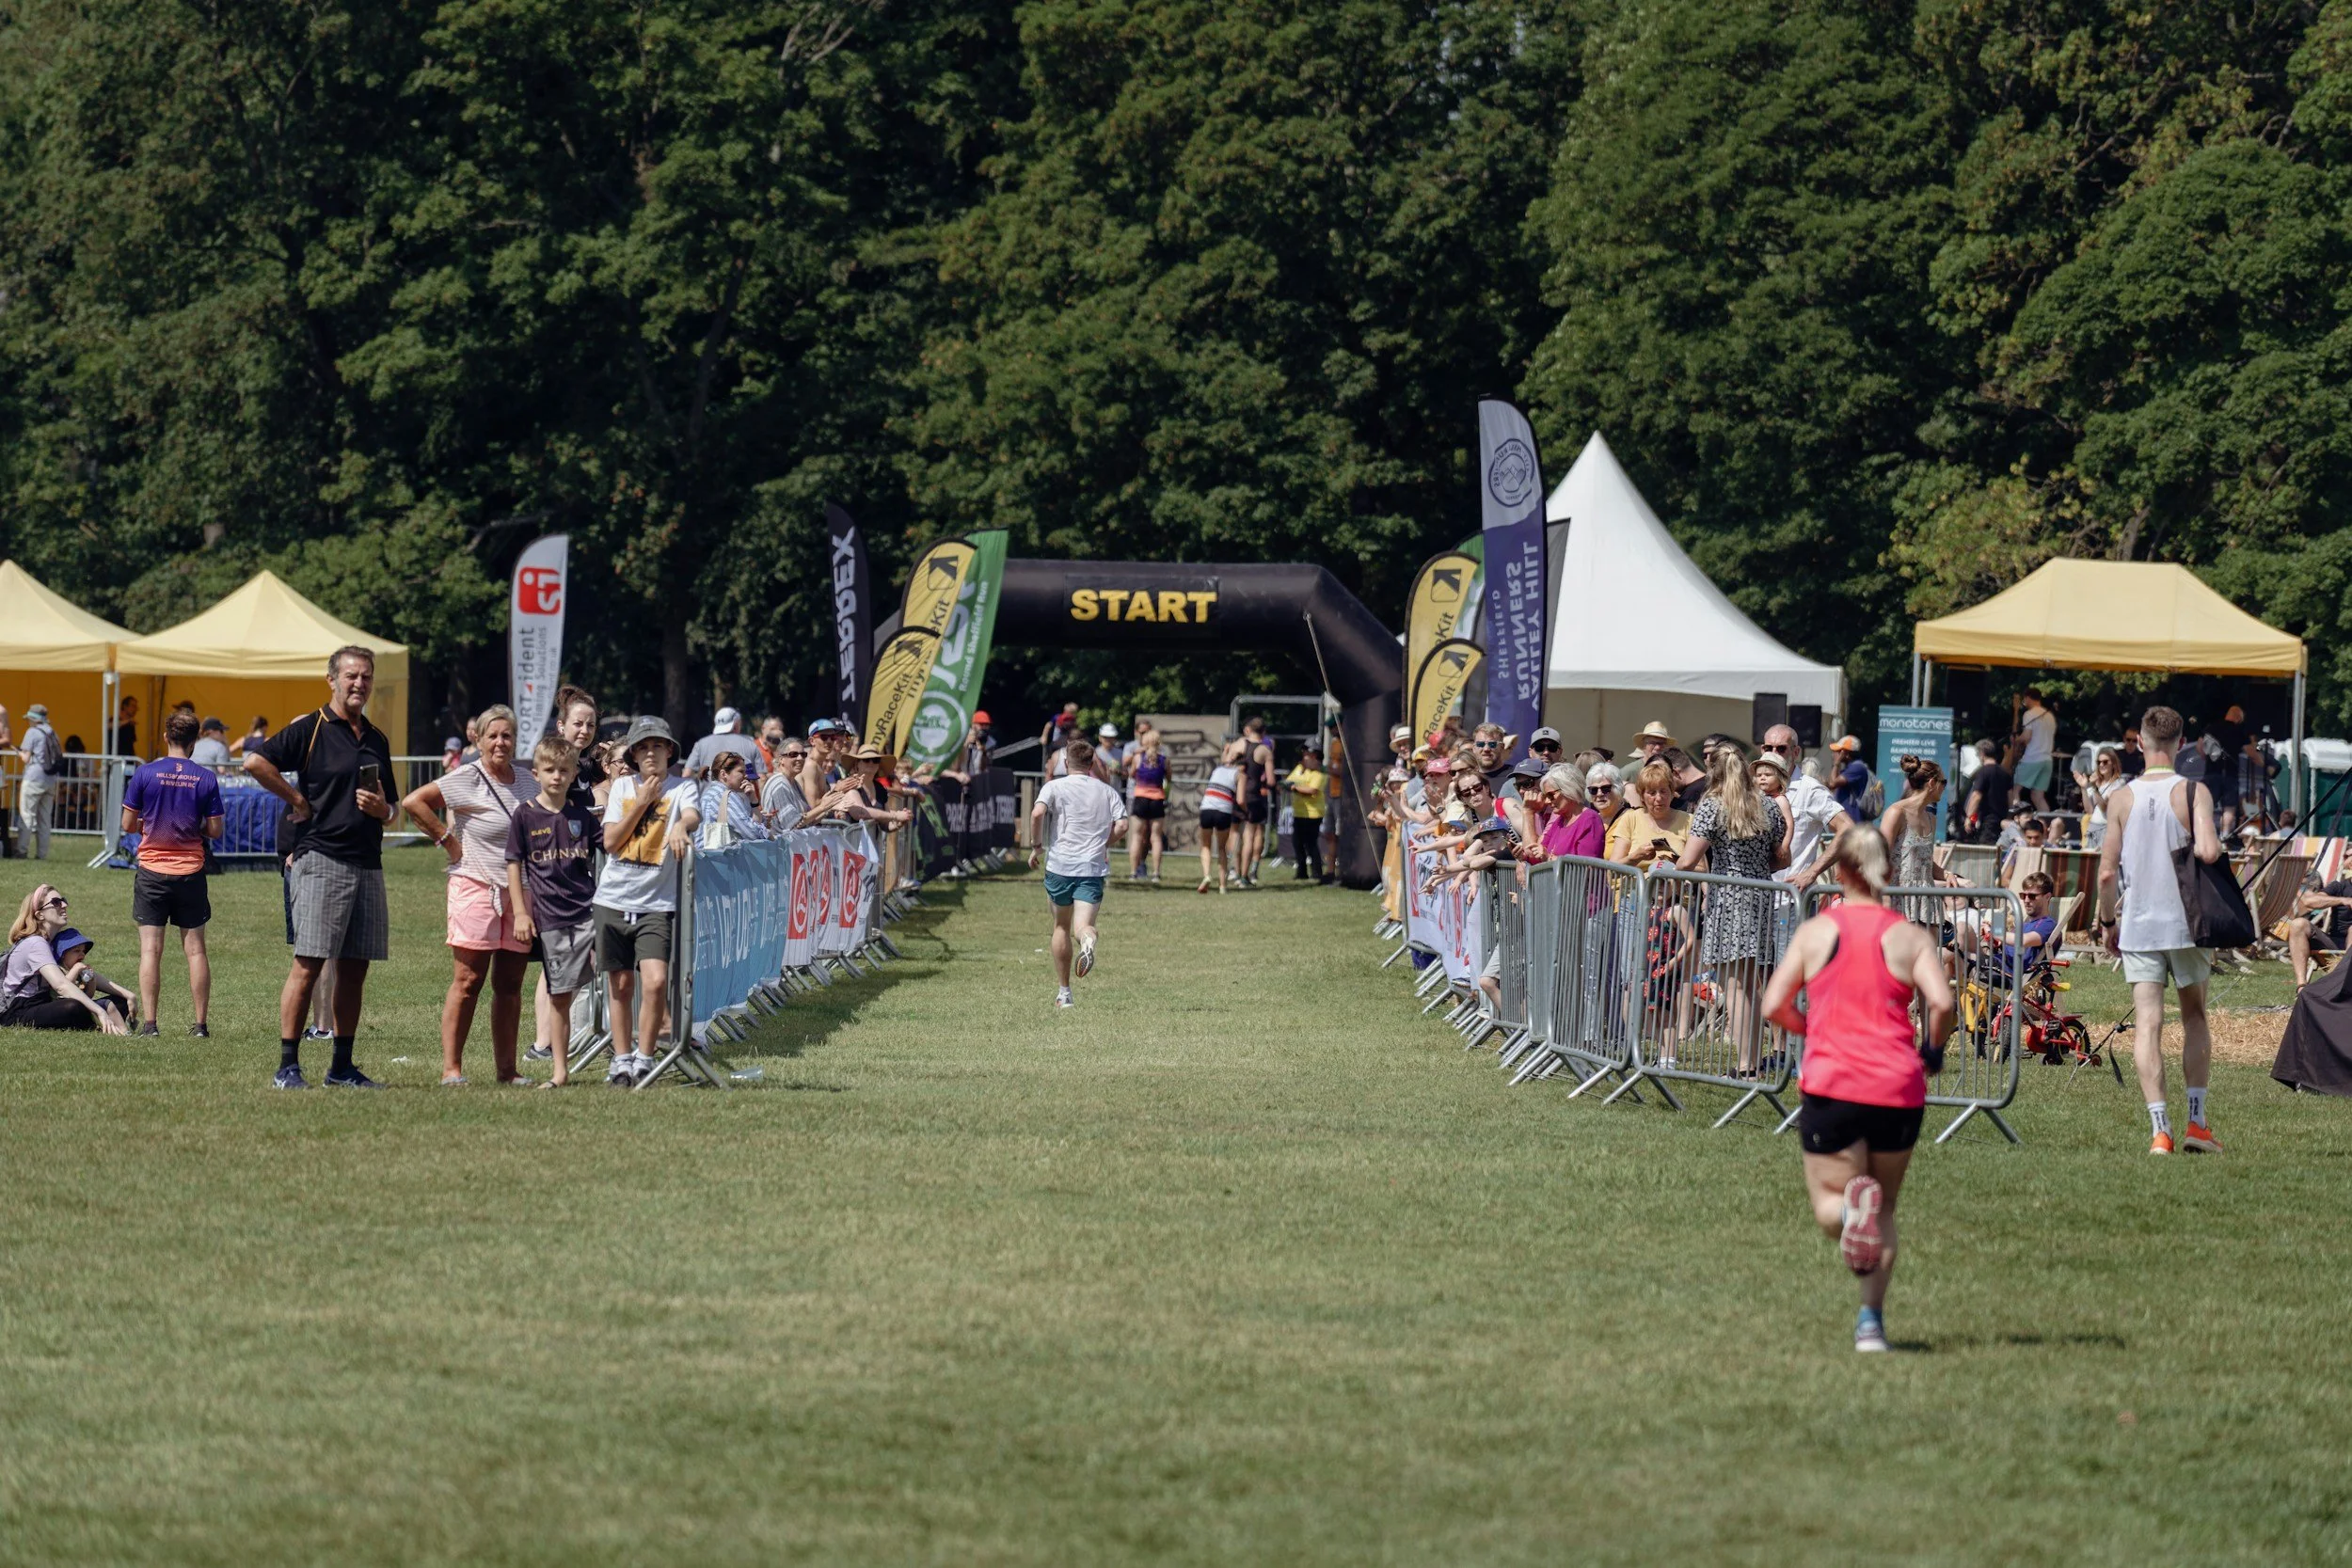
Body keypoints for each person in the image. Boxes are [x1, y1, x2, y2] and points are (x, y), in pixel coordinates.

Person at [1762, 824, 1954, 1354]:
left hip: (1833, 1081)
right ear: (1888, 872)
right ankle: (1871, 1324)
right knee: (1886, 1207)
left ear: (1840, 872)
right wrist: (1933, 1052)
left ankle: (1849, 1216)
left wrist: (1811, 1029)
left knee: (1829, 1201)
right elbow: (1941, 1003)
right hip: (1897, 1084)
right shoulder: (1910, 936)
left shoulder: (1817, 932)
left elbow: (1773, 1004)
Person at [245, 645, 396, 1090]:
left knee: (355, 968)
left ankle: (341, 1066)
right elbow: (255, 762)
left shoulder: (376, 738)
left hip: (367, 862)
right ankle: (288, 1066)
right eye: (350, 676)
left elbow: (392, 810)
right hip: (321, 859)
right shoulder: (311, 729)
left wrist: (383, 808)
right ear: (331, 679)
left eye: (366, 677)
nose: (359, 684)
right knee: (308, 963)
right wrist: (295, 799)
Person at [2096, 704, 2224, 1154]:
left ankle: (2160, 1132)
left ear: (2141, 744)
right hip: (2187, 922)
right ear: (2181, 742)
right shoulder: (2194, 791)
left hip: (2140, 924)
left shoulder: (2120, 798)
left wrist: (2108, 922)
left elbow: (2106, 874)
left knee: (2148, 1025)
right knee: (2194, 1016)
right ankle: (2197, 1124)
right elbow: (2208, 851)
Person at [401, 705, 531, 1085]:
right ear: (478, 739)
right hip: (476, 886)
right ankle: (452, 1069)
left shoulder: (527, 781)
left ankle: (507, 1070)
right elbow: (413, 802)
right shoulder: (467, 776)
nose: (500, 743)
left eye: (507, 735)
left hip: (520, 895)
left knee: (510, 985)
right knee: (469, 980)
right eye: (493, 735)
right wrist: (447, 840)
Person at [594, 717, 700, 1085]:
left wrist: (679, 826)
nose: (650, 753)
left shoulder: (682, 787)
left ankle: (645, 1055)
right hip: (614, 897)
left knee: (654, 982)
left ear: (670, 751)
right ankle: (620, 1059)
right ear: (634, 755)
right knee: (620, 984)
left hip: (657, 903)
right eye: (643, 747)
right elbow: (610, 843)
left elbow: (692, 814)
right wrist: (640, 803)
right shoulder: (622, 788)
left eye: (658, 746)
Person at [1677, 745, 1789, 1069]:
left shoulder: (1713, 806)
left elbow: (1688, 859)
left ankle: (1745, 1065)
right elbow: (1781, 855)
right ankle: (1751, 1062)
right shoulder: (1768, 805)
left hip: (1728, 897)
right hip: (1760, 895)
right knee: (1751, 985)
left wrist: (1666, 867)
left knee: (1734, 985)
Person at [119, 709, 226, 1037]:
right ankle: (200, 1025)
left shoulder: (145, 773)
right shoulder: (205, 778)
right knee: (196, 951)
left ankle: (150, 1025)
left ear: (166, 736)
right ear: (195, 741)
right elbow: (216, 830)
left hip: (152, 870)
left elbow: (126, 824)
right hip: (191, 870)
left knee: (151, 950)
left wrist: (148, 825)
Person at [506, 736, 602, 1089]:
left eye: (564, 770)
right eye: (550, 770)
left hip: (591, 913)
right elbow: (514, 865)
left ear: (574, 772)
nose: (558, 777)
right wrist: (520, 912)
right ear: (536, 774)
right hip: (552, 920)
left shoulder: (582, 817)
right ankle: (559, 1071)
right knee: (559, 995)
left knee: (622, 977)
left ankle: (628, 1057)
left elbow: (610, 845)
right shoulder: (525, 815)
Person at [525, 687, 609, 1067]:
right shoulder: (554, 762)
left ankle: (549, 1040)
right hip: (553, 876)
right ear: (561, 725)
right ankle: (543, 1043)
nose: (585, 729)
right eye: (578, 723)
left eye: (591, 724)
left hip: (578, 877)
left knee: (565, 963)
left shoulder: (584, 767)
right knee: (554, 963)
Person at [1028, 738, 1129, 1007]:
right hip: (1092, 867)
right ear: (1092, 762)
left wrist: (1037, 846)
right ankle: (1088, 942)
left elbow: (1037, 813)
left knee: (1060, 926)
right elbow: (1122, 826)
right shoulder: (1107, 791)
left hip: (1060, 866)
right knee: (1083, 927)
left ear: (1064, 762)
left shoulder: (1054, 786)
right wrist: (1104, 842)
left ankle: (1065, 993)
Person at [3, 889, 132, 1032]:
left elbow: (87, 972)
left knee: (121, 1002)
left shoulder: (50, 941)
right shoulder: (35, 943)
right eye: (56, 902)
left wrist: (127, 994)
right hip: (18, 1009)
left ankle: (99, 1023)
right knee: (73, 1006)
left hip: (44, 1002)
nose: (64, 905)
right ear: (40, 915)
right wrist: (99, 1011)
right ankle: (98, 1026)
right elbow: (61, 986)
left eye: (63, 900)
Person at [1761, 723, 1851, 886]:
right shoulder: (1754, 788)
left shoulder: (1809, 789)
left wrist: (1812, 872)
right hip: (1757, 896)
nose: (1773, 754)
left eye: (1781, 749)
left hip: (1792, 900)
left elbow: (1847, 828)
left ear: (1795, 752)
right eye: (1768, 748)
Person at [1878, 757, 1946, 900]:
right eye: (1943, 782)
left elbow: (1924, 862)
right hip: (1898, 900)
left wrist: (1948, 875)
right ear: (1932, 783)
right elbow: (1880, 860)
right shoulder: (1896, 813)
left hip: (1926, 903)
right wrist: (1882, 901)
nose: (1945, 787)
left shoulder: (1931, 819)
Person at [1606, 759, 1692, 867]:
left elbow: (1702, 869)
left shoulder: (1688, 820)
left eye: (1663, 791)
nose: (1659, 798)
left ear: (1672, 792)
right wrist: (1635, 857)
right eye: (1652, 793)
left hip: (1674, 884)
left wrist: (1680, 865)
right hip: (1638, 883)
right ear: (1642, 796)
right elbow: (1613, 868)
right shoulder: (1631, 818)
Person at [2284, 872, 2352, 989]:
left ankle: (2346, 980)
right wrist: (2343, 900)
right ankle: (2302, 987)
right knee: (2298, 924)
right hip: (2335, 947)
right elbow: (2310, 902)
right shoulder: (2339, 886)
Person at [16, 702, 63, 860]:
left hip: (34, 778)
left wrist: (19, 753)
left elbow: (26, 758)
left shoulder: (32, 732)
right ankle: (41, 854)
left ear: (32, 718)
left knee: (27, 815)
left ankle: (22, 851)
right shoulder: (52, 732)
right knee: (44, 819)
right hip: (50, 779)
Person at [1123, 725, 1169, 881]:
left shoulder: (1138, 758)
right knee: (1155, 838)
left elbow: (1132, 775)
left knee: (1136, 837)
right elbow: (1169, 778)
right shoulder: (1164, 759)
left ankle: (1133, 872)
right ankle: (1156, 873)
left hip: (1140, 799)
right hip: (1157, 800)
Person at [1199, 741, 1243, 894]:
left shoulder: (1218, 769)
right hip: (1223, 810)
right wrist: (1245, 811)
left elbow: (1224, 758)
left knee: (1206, 846)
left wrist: (1227, 749)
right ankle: (1223, 885)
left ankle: (1206, 876)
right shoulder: (1240, 774)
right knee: (1222, 848)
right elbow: (1241, 800)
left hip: (1207, 807)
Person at [1284, 745, 1330, 882]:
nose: (1304, 757)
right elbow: (1288, 781)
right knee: (1297, 843)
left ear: (1315, 757)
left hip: (1313, 813)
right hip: (1299, 812)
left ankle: (1317, 873)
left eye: (1307, 755)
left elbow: (1312, 791)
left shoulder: (1319, 772)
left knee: (1311, 843)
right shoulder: (1300, 769)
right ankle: (1302, 872)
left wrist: (1294, 788)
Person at [685, 705, 763, 781]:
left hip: (708, 793)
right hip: (740, 794)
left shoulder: (701, 744)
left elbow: (687, 774)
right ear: (736, 724)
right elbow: (761, 777)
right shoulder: (750, 742)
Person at [1963, 738, 2013, 845]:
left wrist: (1969, 818)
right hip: (2003, 819)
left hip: (1988, 820)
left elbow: (1976, 796)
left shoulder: (1983, 772)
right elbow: (2011, 797)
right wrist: (2009, 816)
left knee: (1986, 849)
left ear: (1982, 753)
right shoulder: (2005, 773)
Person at [2014, 689, 2057, 811]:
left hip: (2032, 758)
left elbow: (2027, 737)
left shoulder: (2029, 714)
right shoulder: (2050, 716)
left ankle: (2015, 819)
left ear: (2028, 698)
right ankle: (2046, 823)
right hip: (2047, 760)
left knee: (2016, 789)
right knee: (2038, 796)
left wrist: (2017, 739)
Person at [1830, 736, 1876, 823]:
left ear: (1846, 754)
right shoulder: (1850, 768)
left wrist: (1836, 763)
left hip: (1854, 821)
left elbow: (1833, 783)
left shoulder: (1857, 768)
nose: (1835, 754)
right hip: (1847, 820)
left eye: (1838, 751)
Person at [113, 694, 140, 759]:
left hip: (128, 761)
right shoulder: (114, 720)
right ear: (125, 706)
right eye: (133, 706)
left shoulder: (130, 725)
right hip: (116, 761)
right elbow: (108, 726)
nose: (135, 709)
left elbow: (131, 747)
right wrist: (127, 721)